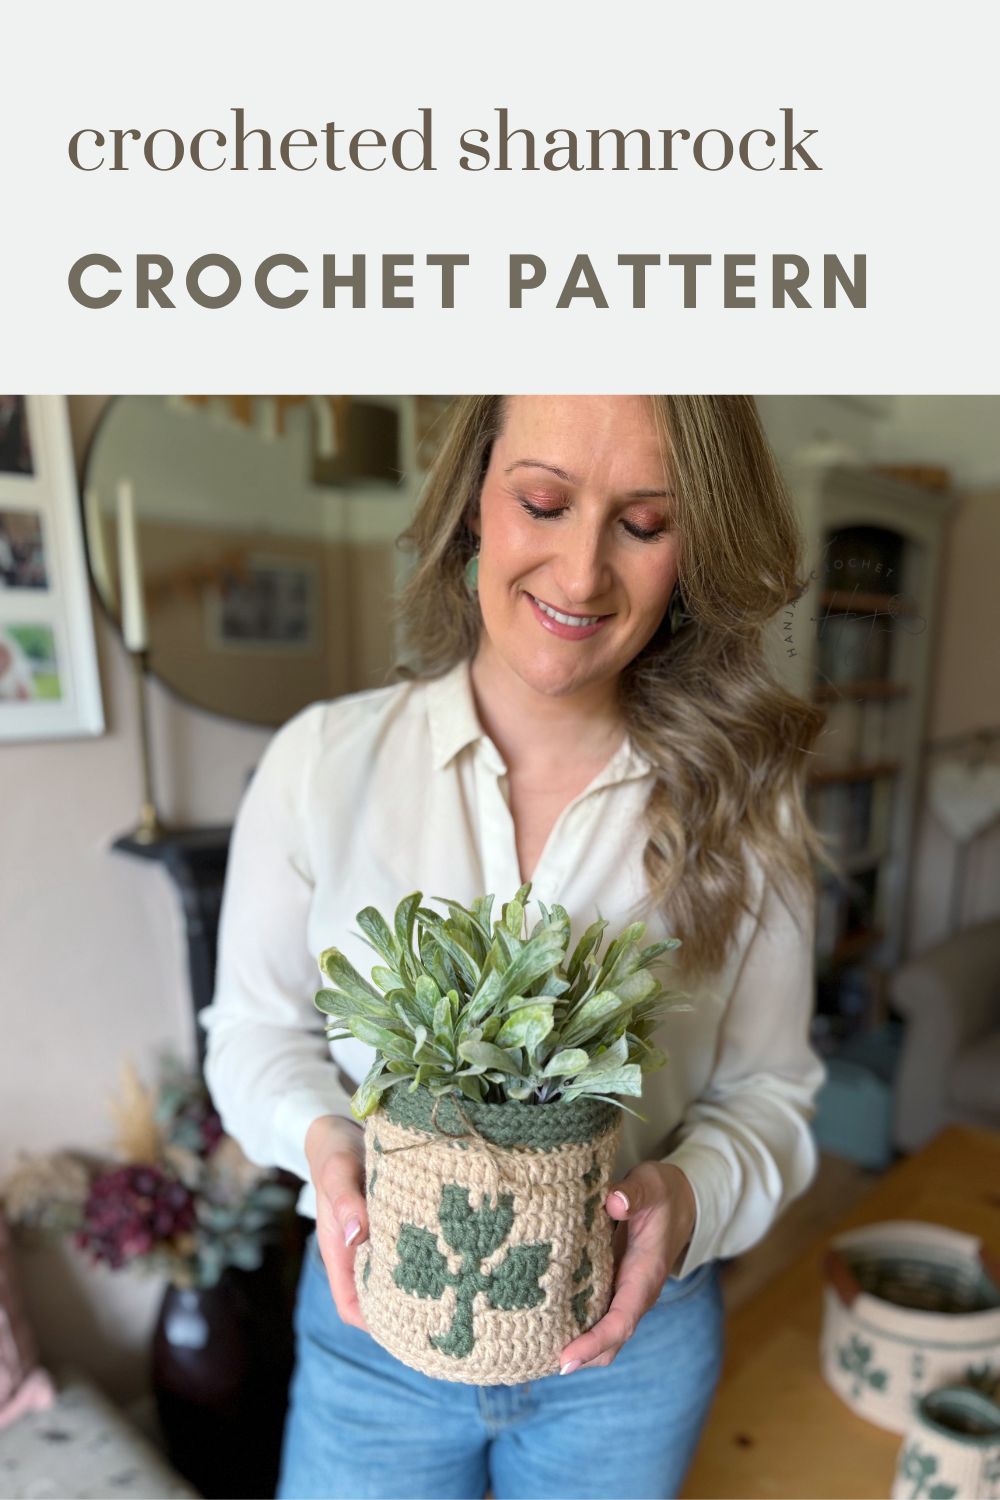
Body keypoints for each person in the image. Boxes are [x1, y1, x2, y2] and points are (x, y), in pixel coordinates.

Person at [199, 394, 828, 1500]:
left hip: (629, 1350)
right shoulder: (323, 764)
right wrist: (324, 1145)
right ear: (472, 502)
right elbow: (254, 1031)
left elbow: (770, 1094)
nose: (580, 575)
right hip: (375, 1326)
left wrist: (686, 1198)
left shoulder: (746, 807)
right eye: (542, 501)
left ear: (699, 549)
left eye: (643, 524)